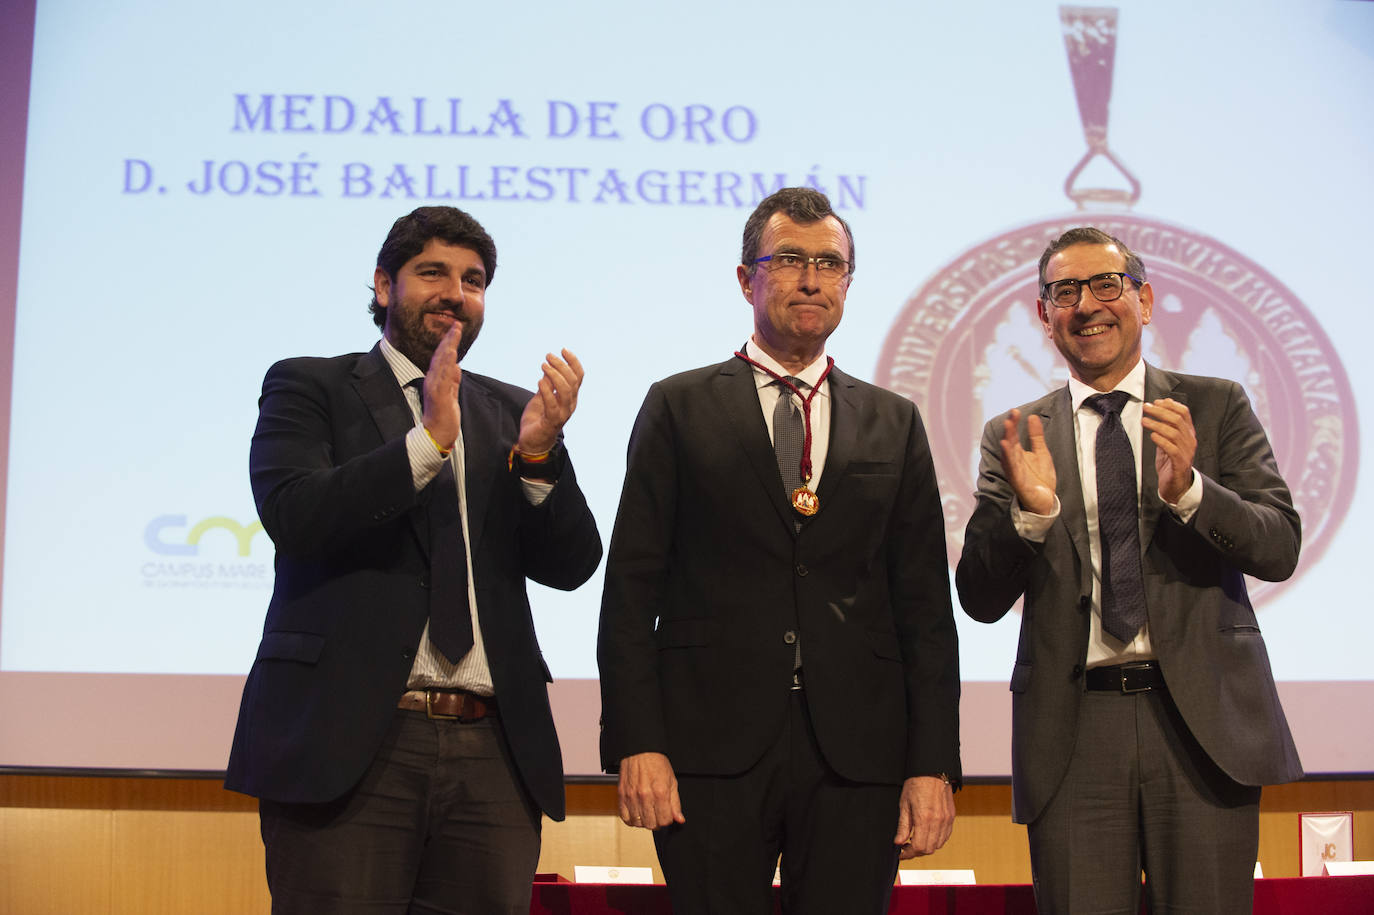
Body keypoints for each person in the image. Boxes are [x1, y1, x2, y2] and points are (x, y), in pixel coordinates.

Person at [225, 205, 603, 914]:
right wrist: (426, 441)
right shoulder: (311, 387)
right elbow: (296, 516)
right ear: (382, 285)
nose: (454, 292)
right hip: (352, 745)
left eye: (474, 279)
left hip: (493, 747)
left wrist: (541, 456)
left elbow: (573, 563)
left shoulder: (513, 414)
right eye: (432, 272)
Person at [597, 187, 961, 915]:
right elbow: (632, 590)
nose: (811, 278)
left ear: (848, 284)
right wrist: (638, 740)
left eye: (830, 264)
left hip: (858, 753)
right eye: (789, 259)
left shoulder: (895, 420)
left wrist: (932, 763)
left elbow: (924, 608)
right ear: (746, 279)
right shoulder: (678, 404)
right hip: (709, 747)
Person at [956, 227, 1303, 913]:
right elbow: (978, 596)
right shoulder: (1017, 433)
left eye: (1105, 285)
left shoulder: (1215, 404)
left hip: (1202, 728)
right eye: (1064, 291)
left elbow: (1278, 544)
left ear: (1144, 298)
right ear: (1043, 315)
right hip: (1074, 727)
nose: (1086, 305)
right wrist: (1030, 516)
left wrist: (1192, 493)